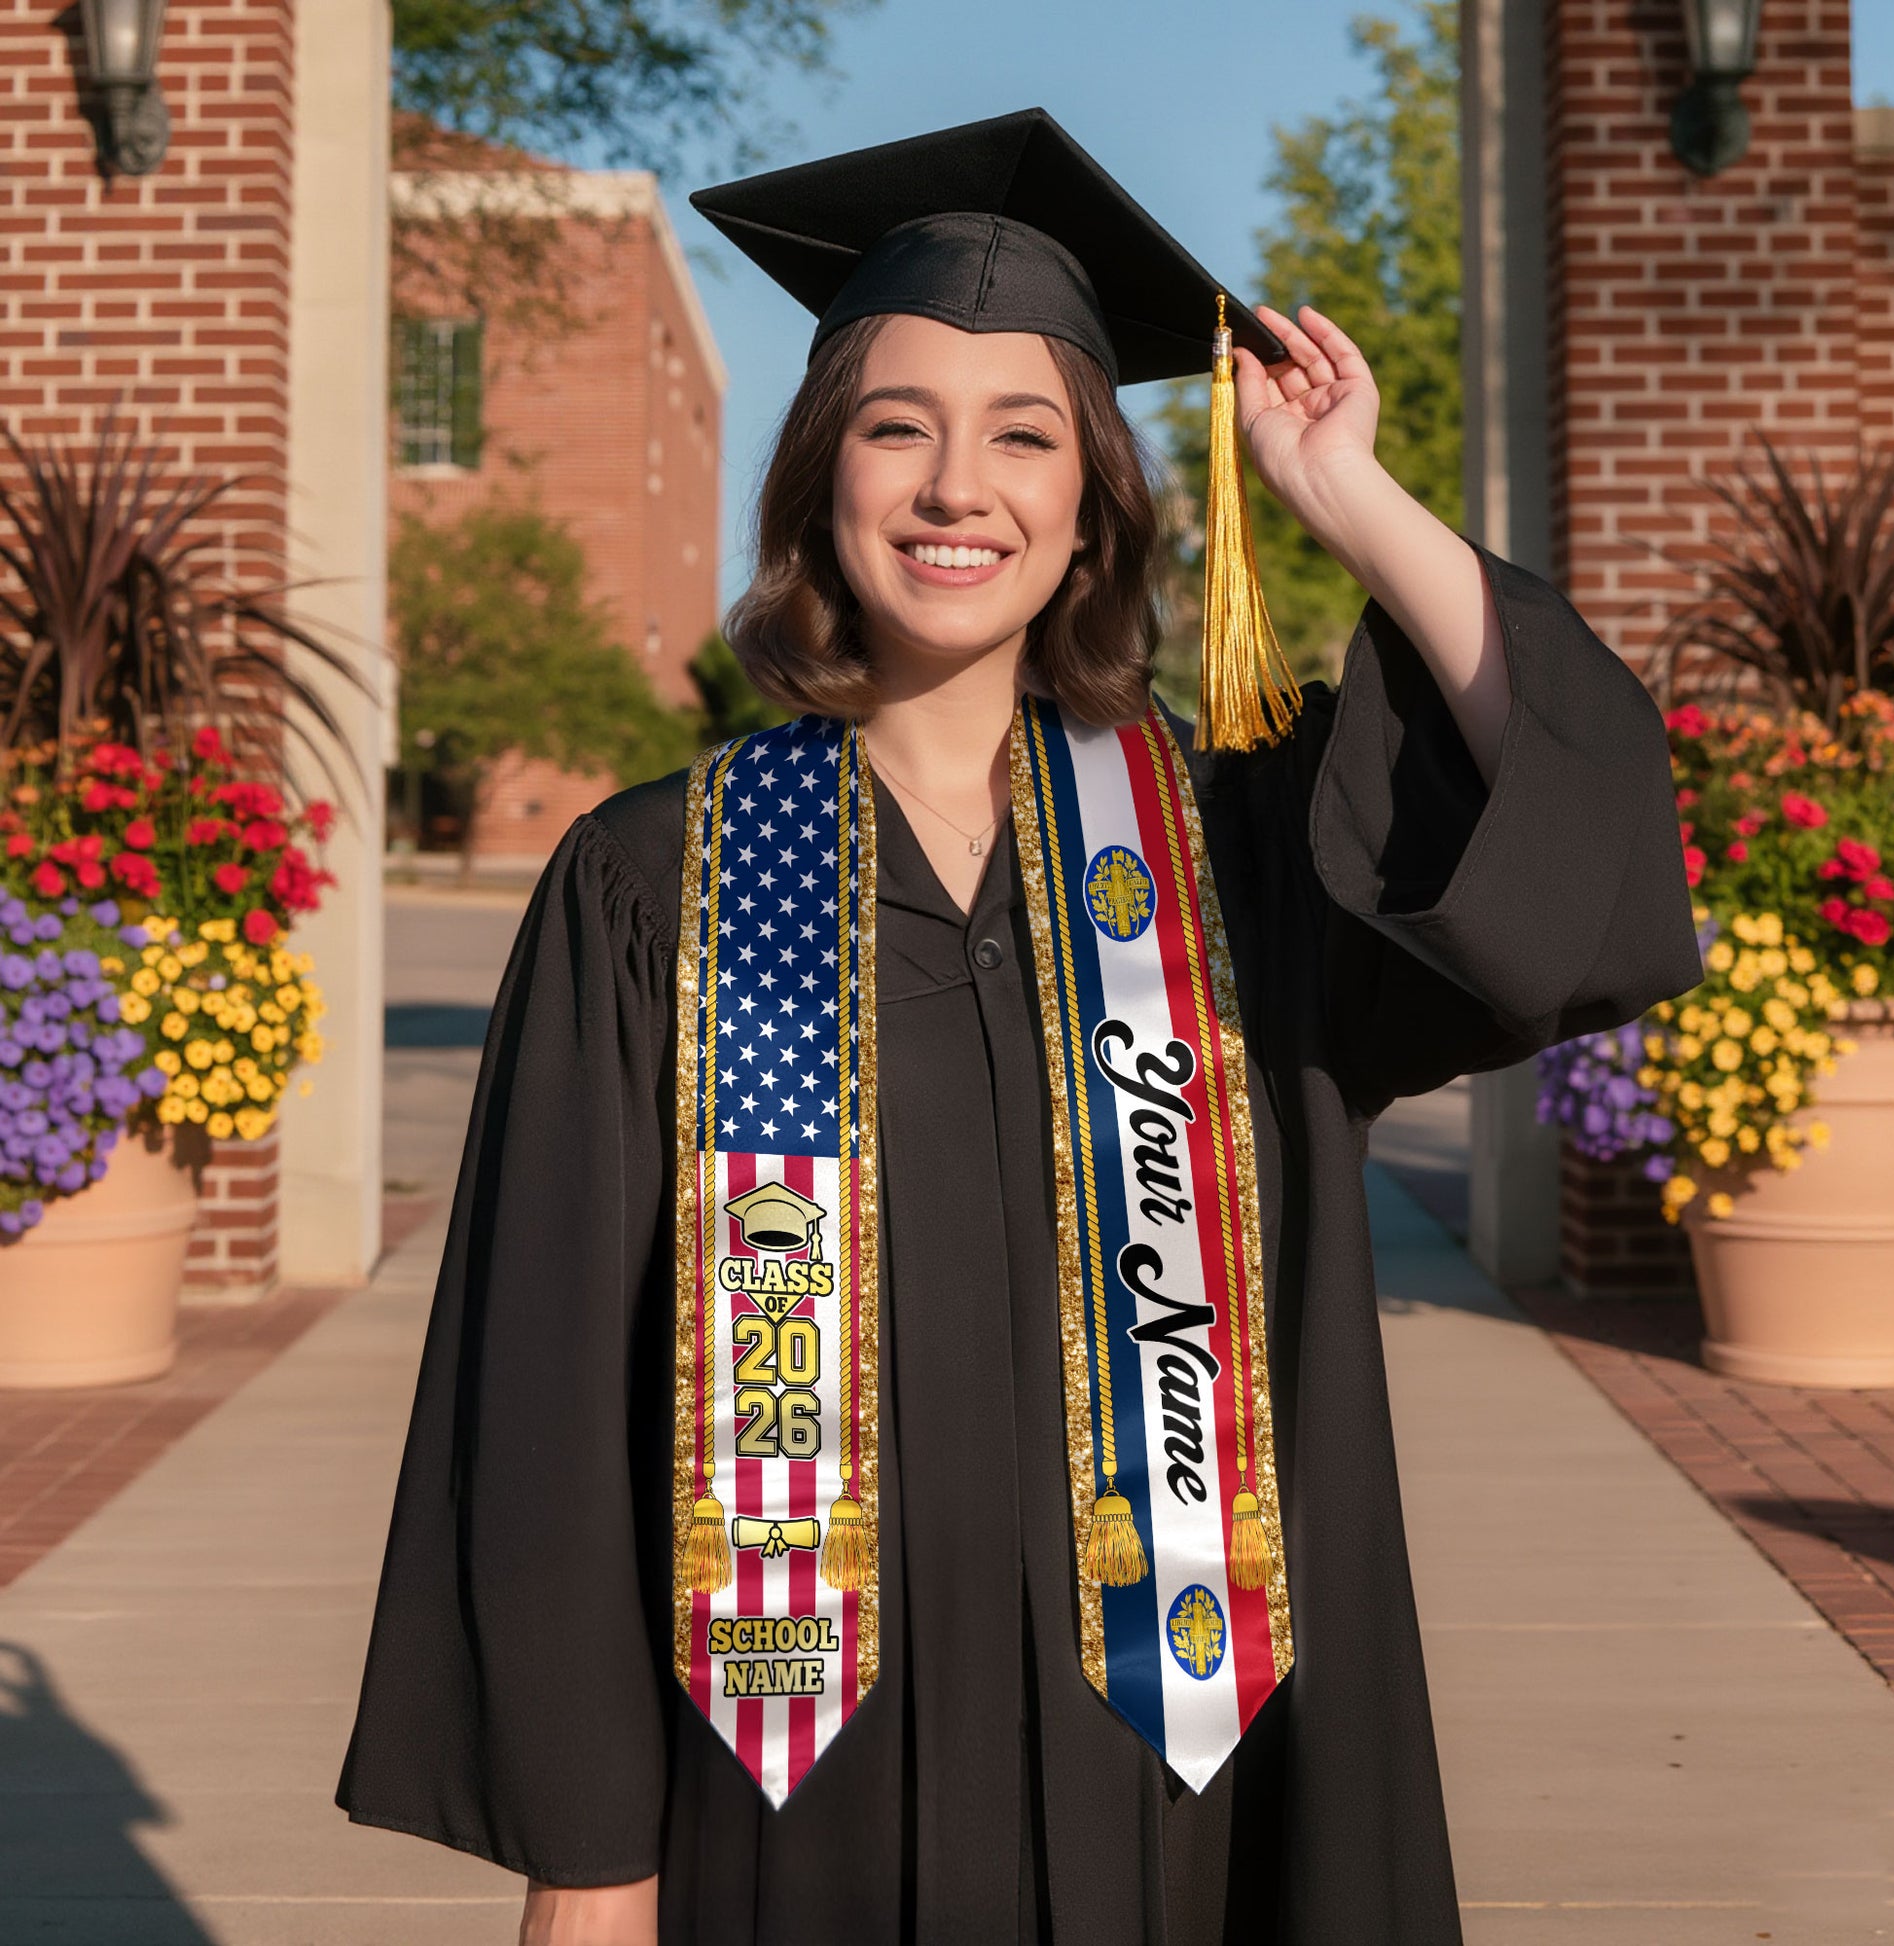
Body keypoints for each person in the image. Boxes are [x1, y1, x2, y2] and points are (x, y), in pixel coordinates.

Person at [336, 109, 1702, 1946]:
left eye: (1023, 434)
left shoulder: (1241, 857)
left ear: (1091, 505)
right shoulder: (655, 883)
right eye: (897, 426)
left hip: (1191, 1795)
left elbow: (1573, 836)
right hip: (787, 1791)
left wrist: (1345, 494)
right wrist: (587, 1857)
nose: (954, 488)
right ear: (821, 475)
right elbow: (551, 1395)